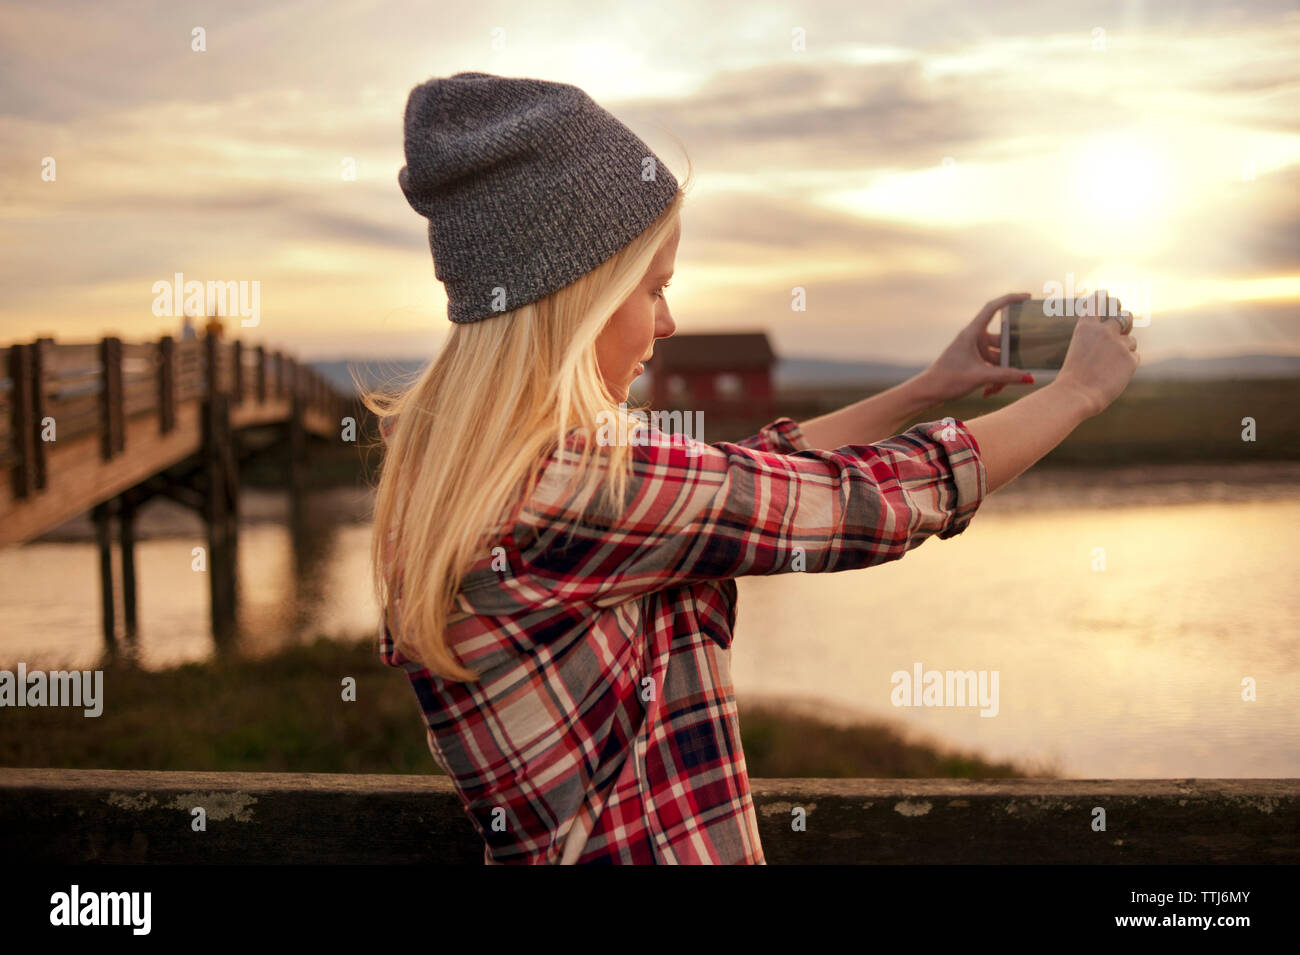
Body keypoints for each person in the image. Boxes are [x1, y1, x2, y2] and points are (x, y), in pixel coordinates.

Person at [366, 72, 1139, 864]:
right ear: (578, 298)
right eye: (654, 289)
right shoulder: (577, 480)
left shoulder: (455, 480)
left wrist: (925, 389)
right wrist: (1075, 394)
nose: (669, 322)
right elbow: (867, 502)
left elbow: (745, 479)